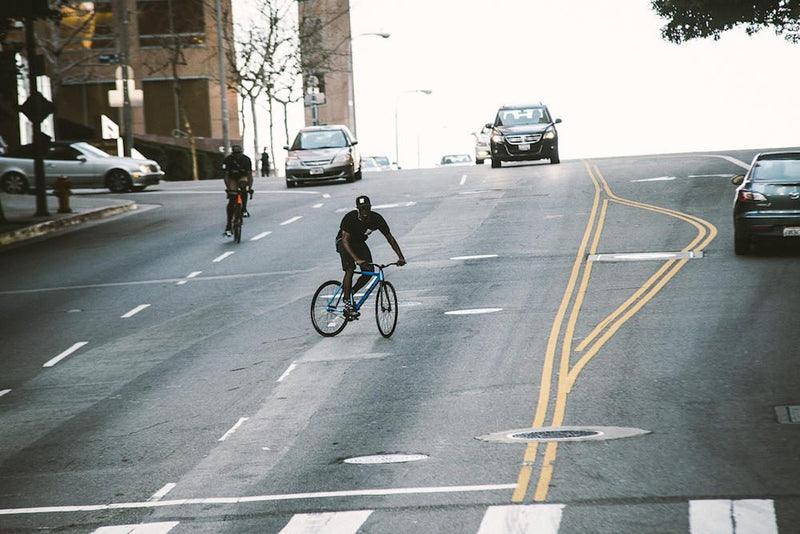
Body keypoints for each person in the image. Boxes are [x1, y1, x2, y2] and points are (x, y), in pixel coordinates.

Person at [336, 195, 406, 318]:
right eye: (362, 209)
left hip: (359, 243)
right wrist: (357, 259)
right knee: (350, 269)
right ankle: (347, 302)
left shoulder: (376, 219)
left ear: (370, 208)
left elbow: (390, 238)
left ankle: (351, 292)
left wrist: (400, 257)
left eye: (367, 208)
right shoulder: (350, 217)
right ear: (358, 209)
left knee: (369, 271)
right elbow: (345, 240)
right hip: (344, 242)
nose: (365, 212)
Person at [221, 144, 253, 237]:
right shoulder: (228, 160)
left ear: (242, 153)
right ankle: (229, 224)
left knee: (243, 186)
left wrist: (250, 188)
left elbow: (249, 175)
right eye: (235, 153)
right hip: (232, 178)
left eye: (239, 153)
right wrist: (228, 188)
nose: (237, 155)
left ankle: (244, 209)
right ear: (232, 153)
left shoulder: (246, 160)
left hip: (242, 177)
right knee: (232, 198)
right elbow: (226, 176)